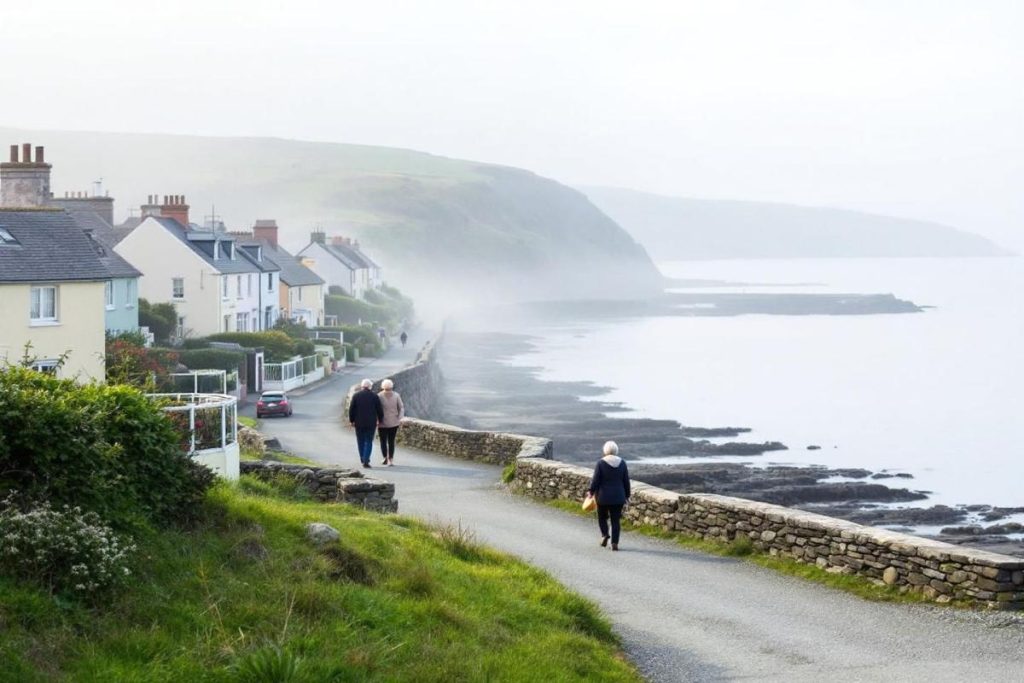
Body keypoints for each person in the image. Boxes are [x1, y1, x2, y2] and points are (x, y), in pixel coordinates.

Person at [588, 440, 631, 551]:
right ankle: (614, 543)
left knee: (602, 517)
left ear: (605, 450)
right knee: (615, 520)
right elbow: (626, 481)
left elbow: (595, 480)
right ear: (616, 450)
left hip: (603, 497)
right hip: (618, 497)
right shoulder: (622, 463)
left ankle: (605, 534)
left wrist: (591, 492)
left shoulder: (601, 463)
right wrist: (627, 495)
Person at [348, 379, 383, 468]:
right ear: (370, 387)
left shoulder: (356, 396)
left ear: (362, 386)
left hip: (359, 422)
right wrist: (380, 419)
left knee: (360, 441)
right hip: (371, 423)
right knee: (368, 441)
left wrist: (351, 421)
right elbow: (379, 410)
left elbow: (351, 409)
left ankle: (362, 458)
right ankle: (366, 460)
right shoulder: (374, 396)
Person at [377, 378, 405, 466]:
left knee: (383, 441)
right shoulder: (396, 395)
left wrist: (377, 419)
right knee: (391, 441)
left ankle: (385, 457)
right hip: (394, 422)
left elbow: (376, 409)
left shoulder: (379, 396)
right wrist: (399, 418)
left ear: (382, 386)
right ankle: (391, 459)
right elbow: (401, 407)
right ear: (392, 386)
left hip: (382, 423)